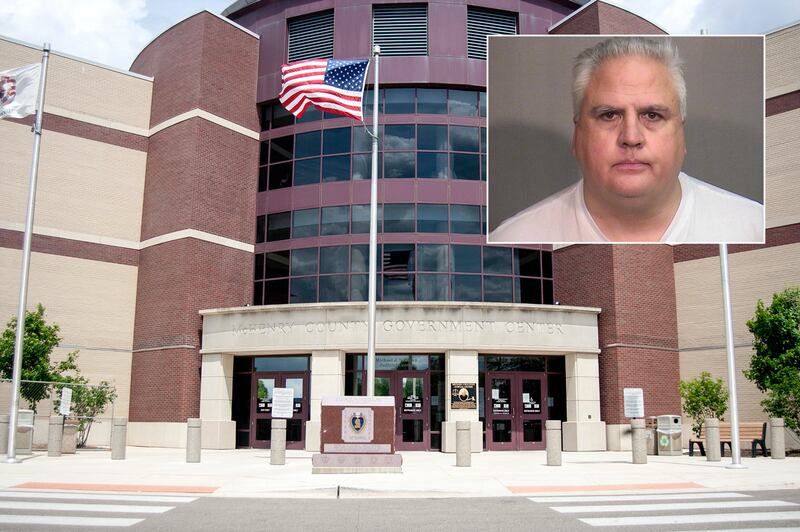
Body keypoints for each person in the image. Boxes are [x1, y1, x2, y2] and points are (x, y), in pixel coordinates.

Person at [490, 37, 764, 244]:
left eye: (653, 115)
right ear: (577, 135)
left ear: (682, 135)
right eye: (609, 115)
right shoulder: (515, 236)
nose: (631, 137)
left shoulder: (754, 225)